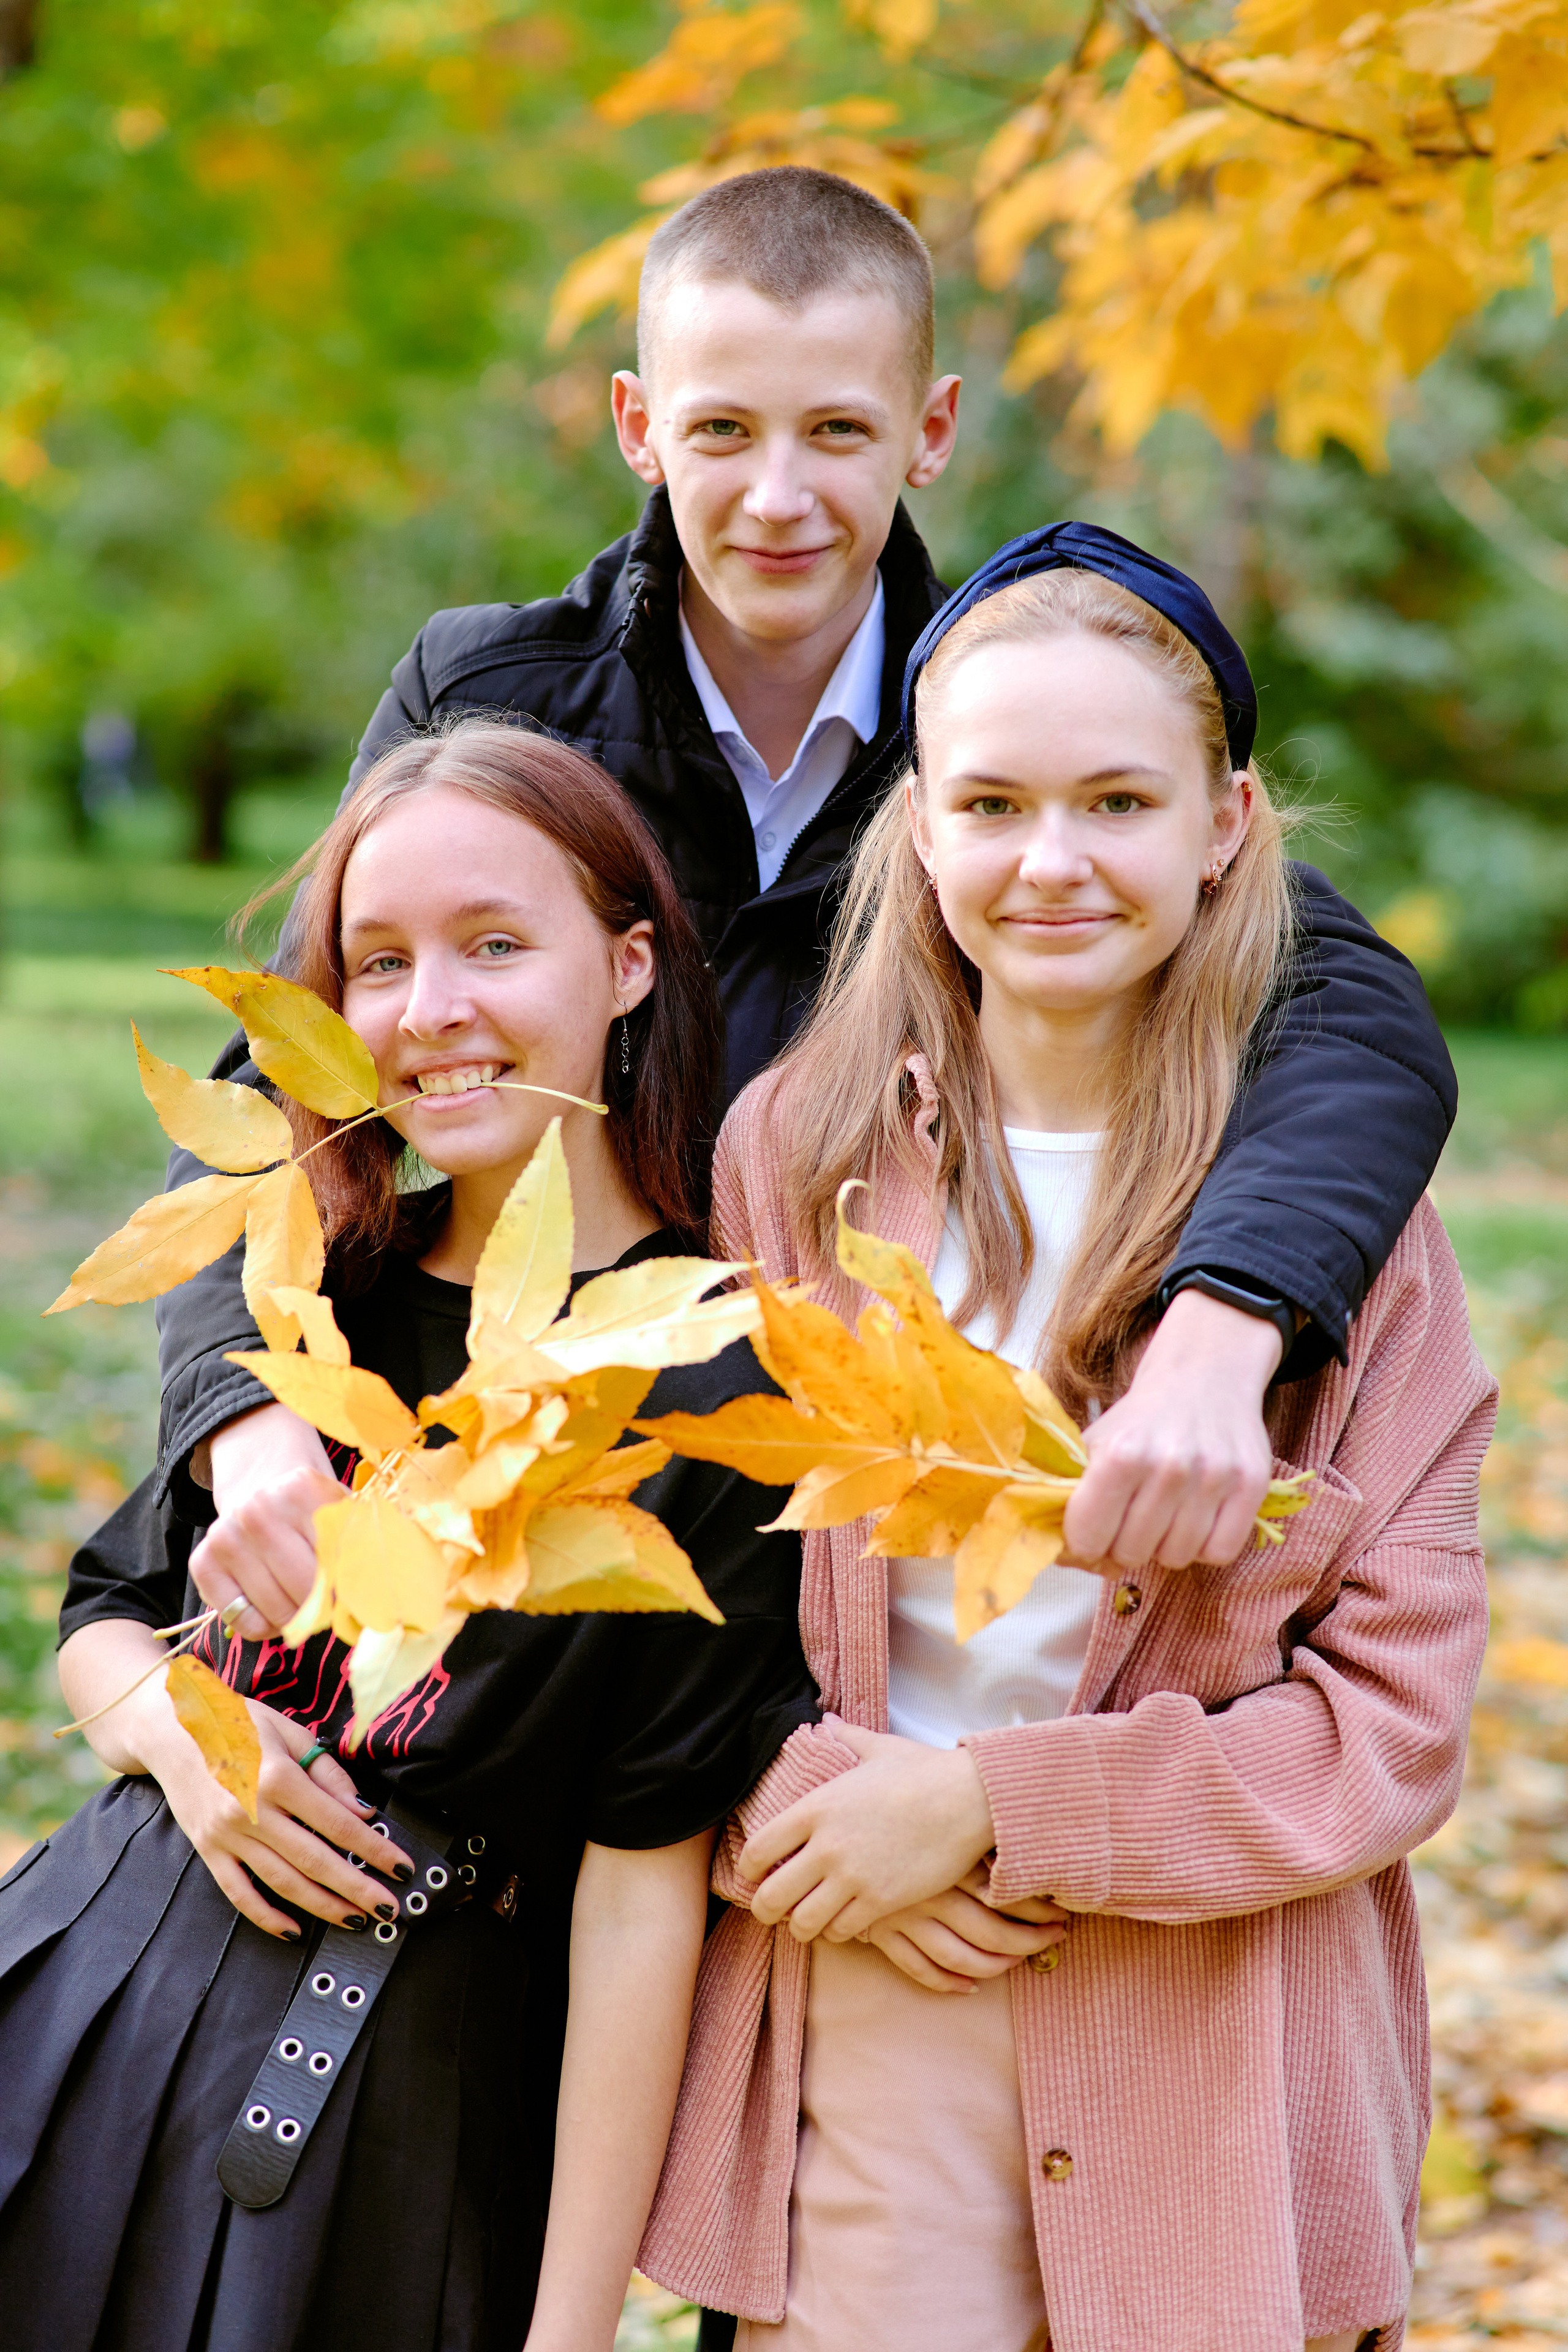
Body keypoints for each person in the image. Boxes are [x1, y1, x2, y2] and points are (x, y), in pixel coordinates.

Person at [156, 165, 1457, 1642]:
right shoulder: (491, 694)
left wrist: (1224, 1326)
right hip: (543, 1420)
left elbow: (1350, 1006)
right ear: (640, 429)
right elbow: (286, 1084)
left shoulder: (1003, 710)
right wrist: (243, 1415)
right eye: (721, 430)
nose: (778, 499)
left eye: (837, 429)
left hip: (846, 1491)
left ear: (930, 431)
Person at [636, 530, 1496, 2352]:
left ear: (1226, 821)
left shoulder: (1348, 1246)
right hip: (874, 1986)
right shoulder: (792, 1163)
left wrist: (1003, 1808)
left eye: (1118, 801)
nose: (1052, 862)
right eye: (997, 803)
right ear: (920, 827)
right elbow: (681, 1584)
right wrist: (791, 1809)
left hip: (1220, 2014)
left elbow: (1393, 1724)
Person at [0, 720, 828, 2352]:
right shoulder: (316, 1286)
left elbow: (642, 1886)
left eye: (495, 945)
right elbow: (104, 1621)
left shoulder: (714, 1378)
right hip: (93, 1994)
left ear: (630, 965)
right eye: (378, 964)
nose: (430, 1009)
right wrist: (186, 1742)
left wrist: (570, 2331)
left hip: (395, 2102)